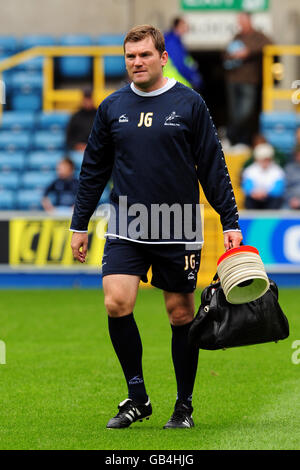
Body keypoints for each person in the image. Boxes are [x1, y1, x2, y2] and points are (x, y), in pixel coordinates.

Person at [70, 25, 242, 429]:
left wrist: (230, 221)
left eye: (145, 55)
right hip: (127, 222)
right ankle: (138, 396)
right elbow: (94, 169)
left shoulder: (190, 103)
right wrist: (79, 224)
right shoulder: (112, 107)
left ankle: (183, 406)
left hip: (178, 224)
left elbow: (212, 166)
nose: (137, 62)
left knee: (180, 313)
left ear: (163, 58)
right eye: (130, 56)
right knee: (116, 302)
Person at [224, 12, 272, 147]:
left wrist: (248, 52)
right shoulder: (236, 37)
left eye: (242, 20)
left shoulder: (259, 36)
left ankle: (232, 136)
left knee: (246, 112)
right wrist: (232, 55)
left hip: (249, 80)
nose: (240, 23)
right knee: (234, 113)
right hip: (233, 80)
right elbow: (225, 54)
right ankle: (238, 141)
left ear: (249, 21)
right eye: (239, 21)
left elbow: (269, 45)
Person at [164, 17, 203, 91]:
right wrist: (193, 77)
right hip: (176, 85)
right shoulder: (172, 42)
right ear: (178, 26)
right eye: (184, 25)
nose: (187, 28)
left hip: (174, 85)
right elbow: (180, 64)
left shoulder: (175, 42)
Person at [241, 143, 285, 209]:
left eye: (267, 159)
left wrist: (266, 193)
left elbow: (278, 189)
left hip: (270, 199)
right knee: (248, 200)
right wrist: (255, 193)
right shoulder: (250, 170)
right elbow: (247, 187)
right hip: (254, 198)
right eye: (262, 159)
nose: (265, 161)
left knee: (276, 200)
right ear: (257, 159)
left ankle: (272, 218)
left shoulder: (278, 171)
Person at [66, 87, 97, 151]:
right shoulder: (75, 117)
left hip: (96, 150)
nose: (87, 102)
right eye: (86, 99)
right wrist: (77, 146)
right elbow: (69, 139)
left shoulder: (99, 115)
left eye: (89, 99)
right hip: (78, 151)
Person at [283, 145, 300, 209]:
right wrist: (290, 199)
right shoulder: (289, 168)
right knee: (284, 209)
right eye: (298, 155)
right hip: (292, 201)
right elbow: (285, 188)